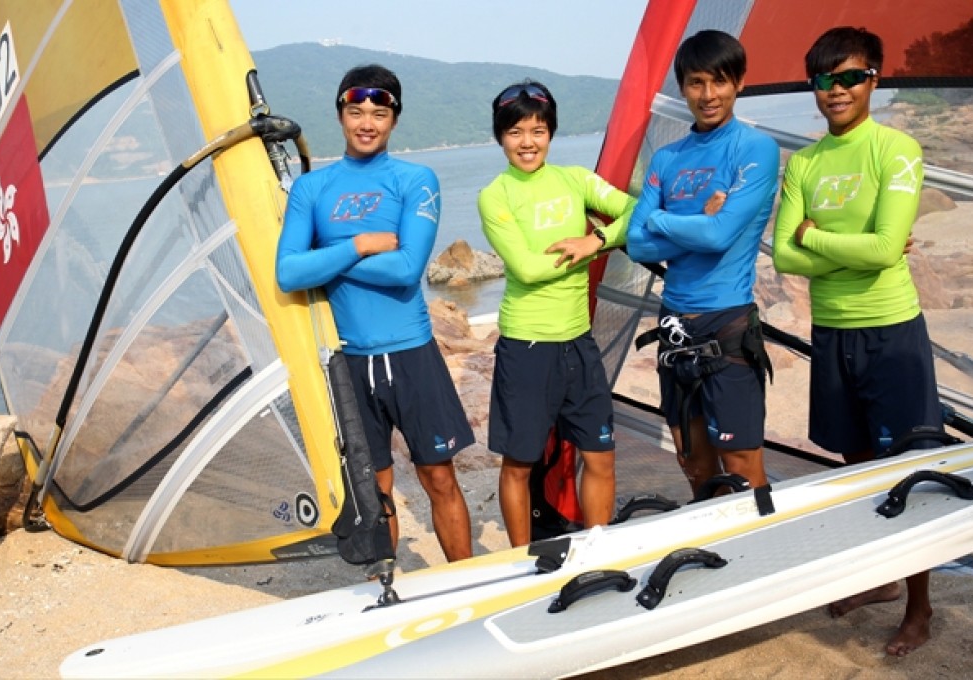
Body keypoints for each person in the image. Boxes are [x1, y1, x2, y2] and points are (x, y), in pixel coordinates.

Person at [772, 27, 943, 656]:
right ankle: (882, 579)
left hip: (892, 330)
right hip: (832, 332)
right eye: (824, 80)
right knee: (854, 463)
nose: (835, 91)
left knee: (908, 469)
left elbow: (876, 251)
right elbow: (782, 253)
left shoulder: (895, 148)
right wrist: (850, 249)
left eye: (849, 77)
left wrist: (818, 238)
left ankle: (921, 607)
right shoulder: (808, 162)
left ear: (874, 77)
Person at [276, 64, 473, 562]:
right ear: (340, 114)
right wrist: (359, 245)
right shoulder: (310, 190)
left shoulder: (415, 179)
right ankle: (384, 585)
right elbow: (286, 274)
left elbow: (407, 270)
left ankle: (464, 577)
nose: (367, 122)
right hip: (349, 362)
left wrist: (325, 259)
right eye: (356, 110)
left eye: (379, 112)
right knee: (373, 484)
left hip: (412, 355)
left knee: (438, 477)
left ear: (394, 119)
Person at [477, 80, 635, 547]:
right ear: (500, 136)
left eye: (538, 130)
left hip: (579, 343)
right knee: (519, 462)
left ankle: (596, 551)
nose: (528, 142)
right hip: (528, 346)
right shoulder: (496, 195)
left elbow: (636, 211)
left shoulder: (575, 180)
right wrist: (594, 249)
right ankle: (522, 563)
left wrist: (597, 239)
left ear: (552, 132)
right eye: (516, 132)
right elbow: (525, 268)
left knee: (600, 454)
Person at [626, 30, 779, 497]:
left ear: (739, 83)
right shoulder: (667, 157)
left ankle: (762, 558)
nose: (708, 95)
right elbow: (636, 243)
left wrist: (661, 218)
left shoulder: (755, 149)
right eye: (696, 83)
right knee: (694, 465)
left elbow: (720, 235)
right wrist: (693, 220)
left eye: (719, 82)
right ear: (683, 87)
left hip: (726, 323)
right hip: (674, 326)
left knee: (742, 468)